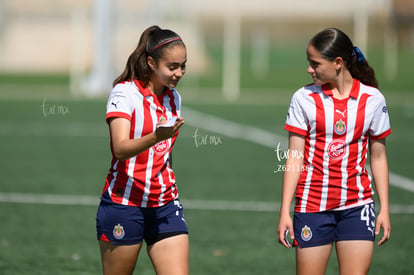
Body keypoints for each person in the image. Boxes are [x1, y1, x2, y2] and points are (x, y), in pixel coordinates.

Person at [277, 27, 391, 275]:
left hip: (357, 206)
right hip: (312, 206)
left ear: (338, 63)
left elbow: (379, 157)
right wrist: (285, 210)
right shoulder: (303, 98)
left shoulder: (373, 99)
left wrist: (385, 209)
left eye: (315, 63)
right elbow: (295, 157)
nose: (309, 69)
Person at [96, 25, 188, 275]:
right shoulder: (124, 93)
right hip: (125, 202)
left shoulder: (174, 97)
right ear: (151, 62)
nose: (179, 73)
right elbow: (120, 148)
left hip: (165, 203)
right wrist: (155, 136)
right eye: (172, 66)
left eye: (183, 66)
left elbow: (163, 153)